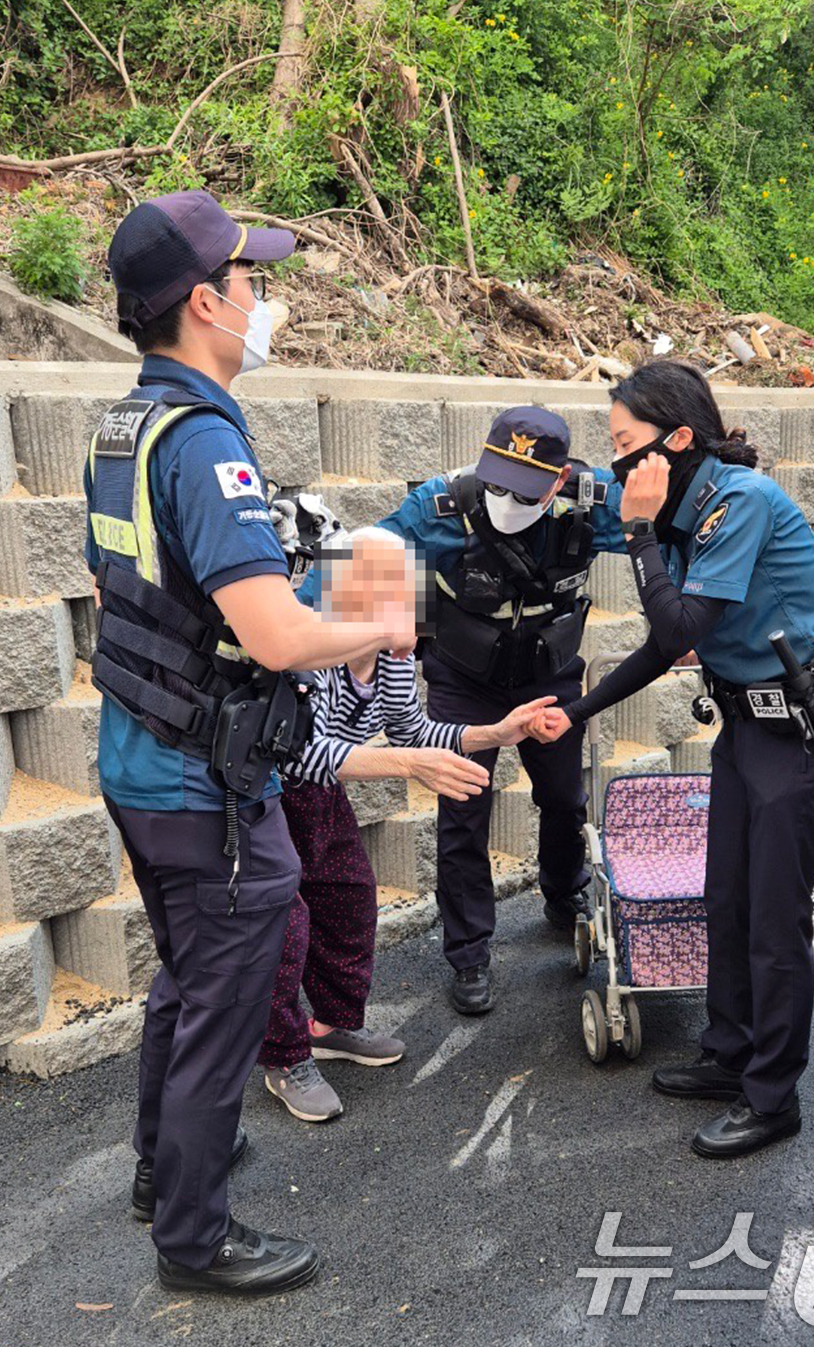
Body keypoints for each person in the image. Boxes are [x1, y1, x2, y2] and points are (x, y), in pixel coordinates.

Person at [85, 190, 414, 1295]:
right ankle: (193, 1238)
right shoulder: (205, 440)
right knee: (225, 1006)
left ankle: (162, 1171)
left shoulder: (125, 427)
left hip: (140, 758)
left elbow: (118, 592)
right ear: (203, 302)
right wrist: (379, 625)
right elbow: (275, 635)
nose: (263, 300)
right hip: (203, 783)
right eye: (249, 279)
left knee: (187, 978)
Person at [527, 360, 814, 1159]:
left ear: (678, 439)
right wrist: (576, 712)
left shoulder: (737, 502)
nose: (617, 461)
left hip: (807, 733)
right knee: (726, 897)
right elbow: (665, 645)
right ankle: (729, 1053)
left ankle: (772, 1097)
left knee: (774, 919)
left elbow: (680, 626)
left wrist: (640, 533)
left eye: (625, 444)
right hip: (749, 730)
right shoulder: (688, 508)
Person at [258, 528, 552, 1120]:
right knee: (283, 929)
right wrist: (407, 765)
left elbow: (413, 730)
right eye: (400, 592)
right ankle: (284, 1058)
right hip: (264, 799)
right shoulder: (309, 656)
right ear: (350, 594)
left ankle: (333, 1026)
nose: (418, 606)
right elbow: (300, 755)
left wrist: (497, 733)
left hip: (321, 797)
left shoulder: (392, 659)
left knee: (350, 899)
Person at [367, 406, 630, 1016]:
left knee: (564, 797)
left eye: (526, 489)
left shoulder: (593, 504)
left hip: (549, 675)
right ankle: (468, 953)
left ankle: (564, 892)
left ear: (559, 480)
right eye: (499, 482)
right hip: (464, 678)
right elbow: (365, 562)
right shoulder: (441, 506)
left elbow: (671, 530)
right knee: (463, 812)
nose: (508, 499)